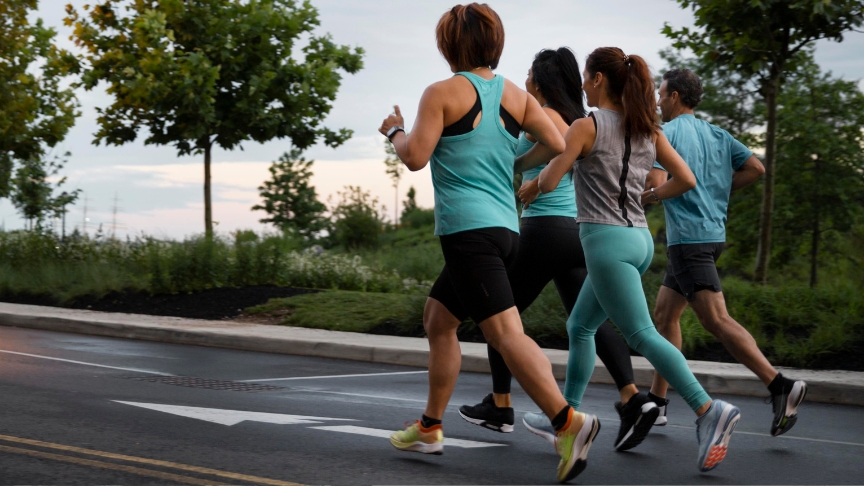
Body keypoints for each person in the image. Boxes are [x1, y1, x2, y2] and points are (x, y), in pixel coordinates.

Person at [378, 5, 599, 482]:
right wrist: (516, 166)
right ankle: (431, 426)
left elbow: (415, 157)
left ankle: (568, 422)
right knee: (439, 319)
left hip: (468, 233)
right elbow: (559, 143)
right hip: (505, 229)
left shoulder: (440, 93)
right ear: (493, 44)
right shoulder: (516, 96)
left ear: (448, 45)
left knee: (504, 333)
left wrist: (394, 130)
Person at [521, 47, 741, 473]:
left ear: (599, 79)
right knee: (580, 325)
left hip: (605, 241)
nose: (582, 84)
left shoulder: (587, 126)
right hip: (639, 240)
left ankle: (708, 409)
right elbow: (687, 179)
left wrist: (530, 188)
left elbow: (550, 177)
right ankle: (566, 415)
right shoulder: (647, 128)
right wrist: (649, 196)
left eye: (586, 76)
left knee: (641, 334)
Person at [457, 47, 656, 453]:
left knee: (499, 315)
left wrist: (515, 168)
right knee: (588, 323)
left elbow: (532, 154)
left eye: (530, 74)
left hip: (545, 230)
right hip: (577, 234)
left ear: (541, 81)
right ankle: (632, 396)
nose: (525, 79)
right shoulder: (577, 117)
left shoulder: (545, 117)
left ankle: (500, 405)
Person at [644, 68, 806, 435]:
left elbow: (654, 184)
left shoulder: (666, 134)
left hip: (688, 241)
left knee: (716, 320)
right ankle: (658, 400)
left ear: (674, 97)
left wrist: (644, 194)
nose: (656, 100)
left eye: (661, 94)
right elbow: (756, 168)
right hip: (712, 236)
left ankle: (780, 384)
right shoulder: (717, 133)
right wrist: (717, 190)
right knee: (665, 315)